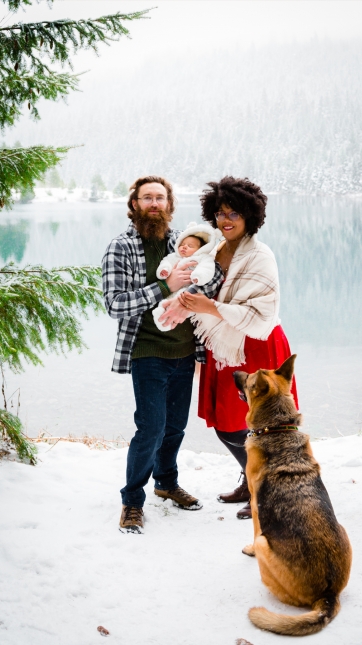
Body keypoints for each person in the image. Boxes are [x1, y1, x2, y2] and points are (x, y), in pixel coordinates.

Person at [102, 175, 223, 534]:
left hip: (185, 351)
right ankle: (132, 501)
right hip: (147, 351)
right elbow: (114, 305)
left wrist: (200, 283)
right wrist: (163, 287)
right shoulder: (120, 247)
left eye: (160, 198)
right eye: (146, 198)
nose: (154, 204)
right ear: (134, 205)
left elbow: (212, 277)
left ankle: (166, 483)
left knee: (174, 427)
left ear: (169, 206)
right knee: (150, 427)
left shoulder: (184, 245)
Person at [178, 176, 298, 520]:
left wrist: (208, 309)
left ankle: (266, 490)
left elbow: (263, 315)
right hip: (224, 345)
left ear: (249, 216)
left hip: (258, 346)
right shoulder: (212, 250)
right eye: (219, 213)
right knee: (227, 424)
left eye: (233, 213)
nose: (225, 220)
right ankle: (252, 478)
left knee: (263, 423)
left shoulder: (261, 255)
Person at [152, 221, 220, 332]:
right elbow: (166, 262)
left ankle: (168, 320)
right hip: (171, 291)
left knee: (183, 297)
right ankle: (161, 315)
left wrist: (199, 276)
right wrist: (164, 270)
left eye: (190, 246)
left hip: (188, 289)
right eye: (182, 244)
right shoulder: (174, 256)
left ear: (200, 249)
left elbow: (207, 268)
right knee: (165, 302)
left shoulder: (202, 258)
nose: (184, 247)